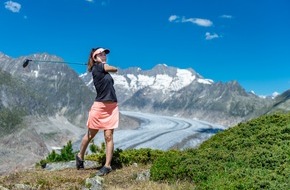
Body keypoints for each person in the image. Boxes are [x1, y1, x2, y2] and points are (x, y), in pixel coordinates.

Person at [76, 47, 119, 176]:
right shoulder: (98, 67)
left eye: (104, 54)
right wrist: (102, 64)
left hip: (111, 107)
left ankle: (107, 166)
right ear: (94, 57)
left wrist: (101, 63)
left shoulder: (100, 68)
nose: (103, 55)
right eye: (100, 54)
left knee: (109, 136)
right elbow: (115, 69)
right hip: (99, 107)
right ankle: (80, 155)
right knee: (90, 135)